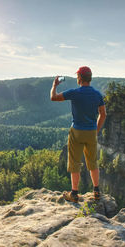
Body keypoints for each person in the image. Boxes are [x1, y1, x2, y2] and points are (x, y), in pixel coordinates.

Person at [50, 66, 106, 203]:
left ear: (80, 78)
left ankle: (74, 194)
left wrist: (54, 85)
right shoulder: (97, 94)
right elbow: (103, 114)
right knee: (92, 162)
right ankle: (97, 192)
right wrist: (96, 130)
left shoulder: (74, 92)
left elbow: (53, 97)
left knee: (75, 162)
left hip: (77, 131)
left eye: (77, 77)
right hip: (91, 131)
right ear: (90, 78)